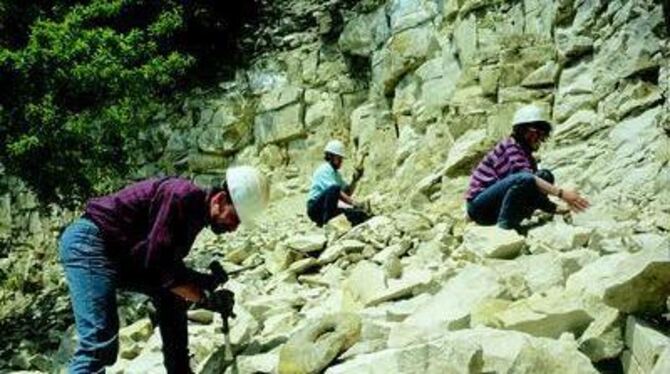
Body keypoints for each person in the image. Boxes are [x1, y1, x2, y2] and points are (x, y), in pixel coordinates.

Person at [58, 166, 269, 373]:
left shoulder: (194, 212)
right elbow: (159, 268)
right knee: (98, 342)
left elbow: (167, 265)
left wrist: (206, 283)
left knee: (172, 298)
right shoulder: (183, 196)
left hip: (120, 254)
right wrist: (204, 298)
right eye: (234, 219)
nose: (233, 229)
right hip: (91, 244)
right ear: (220, 200)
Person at [465, 105, 590, 231]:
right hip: (479, 207)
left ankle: (511, 223)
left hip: (496, 207)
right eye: (534, 132)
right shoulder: (510, 145)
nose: (538, 138)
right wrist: (562, 194)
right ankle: (504, 228)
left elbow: (531, 190)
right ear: (521, 130)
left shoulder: (526, 156)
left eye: (541, 134)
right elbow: (525, 179)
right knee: (526, 178)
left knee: (544, 177)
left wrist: (556, 208)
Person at [307, 140, 369, 227]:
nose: (341, 161)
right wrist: (354, 203)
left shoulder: (336, 174)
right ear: (330, 156)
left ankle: (332, 219)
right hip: (316, 209)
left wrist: (355, 180)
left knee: (359, 215)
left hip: (329, 208)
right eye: (339, 158)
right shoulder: (324, 170)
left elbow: (346, 192)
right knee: (334, 188)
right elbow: (337, 192)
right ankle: (328, 222)